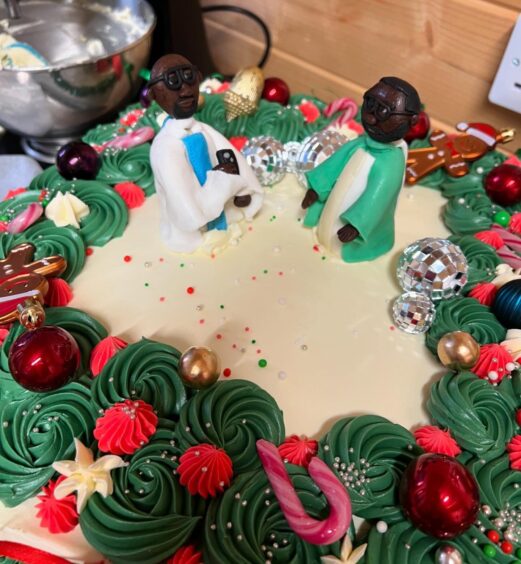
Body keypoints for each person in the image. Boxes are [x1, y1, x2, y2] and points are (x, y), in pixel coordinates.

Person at [149, 53, 263, 253]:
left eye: (189, 77)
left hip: (227, 215)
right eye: (173, 81)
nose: (185, 90)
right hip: (190, 238)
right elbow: (185, 205)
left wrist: (243, 190)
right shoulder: (164, 149)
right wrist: (221, 180)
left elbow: (231, 156)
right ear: (155, 94)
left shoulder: (204, 131)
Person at [301, 77, 420, 262]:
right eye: (370, 104)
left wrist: (356, 226)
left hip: (353, 230)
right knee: (327, 225)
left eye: (383, 111)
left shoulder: (391, 163)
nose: (370, 118)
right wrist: (316, 189)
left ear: (412, 120)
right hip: (331, 212)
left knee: (339, 243)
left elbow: (378, 199)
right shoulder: (358, 144)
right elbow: (332, 167)